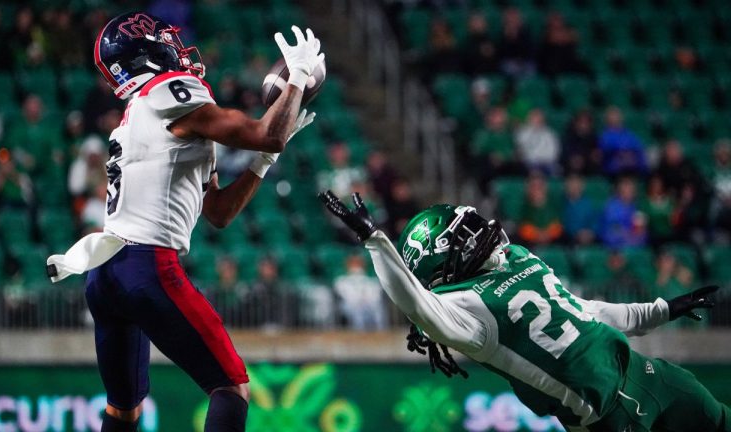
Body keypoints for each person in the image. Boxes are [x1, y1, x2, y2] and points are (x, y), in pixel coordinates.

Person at [46, 12, 324, 432]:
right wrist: (298, 78)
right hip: (146, 267)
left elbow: (217, 213)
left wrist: (264, 163)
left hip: (105, 274)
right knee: (231, 386)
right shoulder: (169, 94)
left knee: (124, 410)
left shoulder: (138, 115)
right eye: (165, 42)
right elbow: (268, 132)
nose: (176, 48)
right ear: (147, 55)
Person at [320, 190, 729, 432]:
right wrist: (376, 241)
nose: (481, 231)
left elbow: (583, 312)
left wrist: (661, 309)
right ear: (440, 260)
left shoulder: (513, 257)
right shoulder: (466, 313)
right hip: (609, 417)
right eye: (464, 234)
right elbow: (417, 305)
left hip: (647, 373)